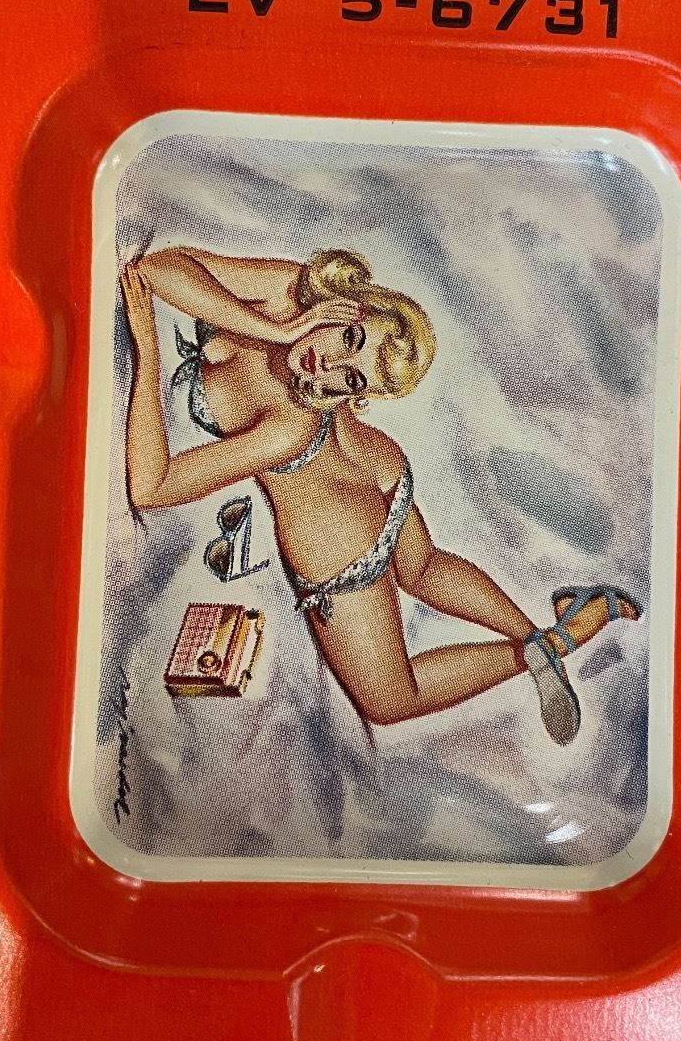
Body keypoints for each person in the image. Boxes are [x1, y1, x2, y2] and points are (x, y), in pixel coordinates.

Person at [119, 244, 639, 742]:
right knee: (424, 568)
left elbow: (152, 486)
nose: (329, 367)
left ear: (356, 397)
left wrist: (149, 355)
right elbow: (160, 268)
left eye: (352, 380)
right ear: (348, 304)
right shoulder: (288, 292)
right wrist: (277, 329)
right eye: (349, 337)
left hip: (343, 538)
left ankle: (554, 642)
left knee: (391, 699)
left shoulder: (289, 429)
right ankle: (551, 638)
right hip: (372, 464)